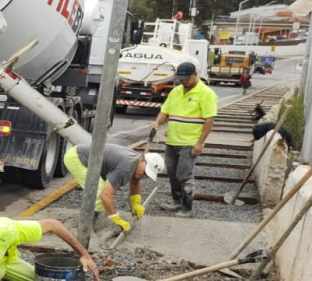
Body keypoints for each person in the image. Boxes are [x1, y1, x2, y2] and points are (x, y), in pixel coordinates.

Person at [150, 61, 218, 218]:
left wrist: (200, 143)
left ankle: (187, 208)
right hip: (172, 140)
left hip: (190, 142)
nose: (184, 81)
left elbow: (209, 120)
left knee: (184, 174)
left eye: (187, 78)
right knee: (172, 173)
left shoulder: (206, 93)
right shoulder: (176, 91)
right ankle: (177, 202)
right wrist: (157, 122)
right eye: (181, 78)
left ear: (195, 75)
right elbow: (165, 111)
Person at [62, 143, 165, 235]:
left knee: (101, 190)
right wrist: (115, 218)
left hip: (85, 154)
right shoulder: (125, 168)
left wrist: (136, 203)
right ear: (143, 160)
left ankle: (90, 220)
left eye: (147, 175)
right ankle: (85, 228)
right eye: (145, 172)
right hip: (76, 157)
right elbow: (105, 195)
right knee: (98, 192)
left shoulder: (136, 161)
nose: (144, 176)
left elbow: (135, 181)